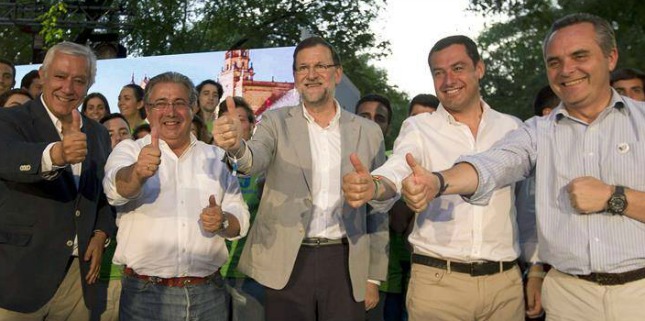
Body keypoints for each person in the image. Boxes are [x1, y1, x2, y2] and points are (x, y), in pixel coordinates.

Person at [394, 13, 645, 321]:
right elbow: (493, 164)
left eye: (580, 56)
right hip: (568, 298)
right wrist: (438, 181)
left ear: (611, 57)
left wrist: (614, 197)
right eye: (554, 62)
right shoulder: (535, 131)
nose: (567, 70)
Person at [343, 35, 535, 321]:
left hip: (504, 285)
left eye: (457, 68)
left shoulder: (512, 128)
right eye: (438, 72)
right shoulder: (420, 127)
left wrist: (536, 269)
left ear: (479, 68)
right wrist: (374, 185)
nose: (448, 80)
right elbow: (399, 167)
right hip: (438, 285)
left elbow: (526, 207)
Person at [213, 36, 390, 321]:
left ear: (337, 73)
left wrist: (373, 276)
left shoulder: (368, 132)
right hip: (288, 261)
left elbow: (380, 208)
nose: (311, 75)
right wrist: (236, 146)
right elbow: (254, 159)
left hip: (346, 262)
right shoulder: (274, 122)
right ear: (295, 77)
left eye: (320, 65)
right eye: (302, 68)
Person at [103, 71, 250, 321]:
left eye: (179, 103)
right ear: (147, 111)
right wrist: (138, 173)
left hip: (210, 296)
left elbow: (240, 219)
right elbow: (116, 190)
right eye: (160, 103)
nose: (170, 112)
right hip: (146, 298)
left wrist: (223, 221)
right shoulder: (129, 150)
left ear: (193, 108)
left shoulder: (215, 157)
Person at [0, 41, 116, 320]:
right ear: (42, 74)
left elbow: (101, 194)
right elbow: (9, 158)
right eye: (61, 77)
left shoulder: (98, 134)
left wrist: (101, 233)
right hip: (17, 278)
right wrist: (57, 153)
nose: (68, 88)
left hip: (78, 281)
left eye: (79, 80)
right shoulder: (10, 120)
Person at [356, 94, 410, 321]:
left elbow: (389, 222)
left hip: (380, 280)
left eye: (379, 118)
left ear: (388, 127)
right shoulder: (331, 156)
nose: (371, 123)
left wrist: (372, 279)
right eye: (364, 116)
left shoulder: (394, 167)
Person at [217, 96, 265, 321]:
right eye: (227, 119)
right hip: (211, 271)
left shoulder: (266, 165)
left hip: (251, 273)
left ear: (252, 125)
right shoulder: (207, 162)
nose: (233, 125)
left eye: (241, 119)